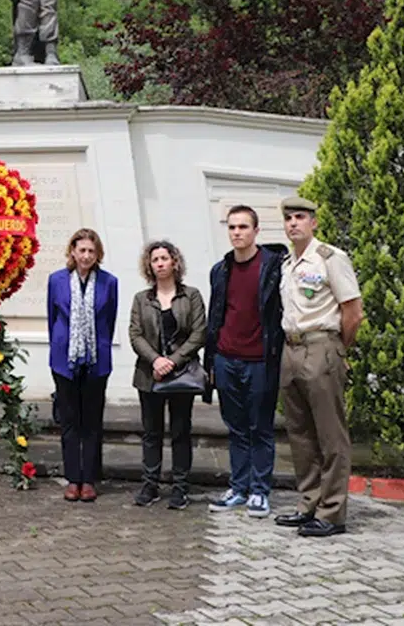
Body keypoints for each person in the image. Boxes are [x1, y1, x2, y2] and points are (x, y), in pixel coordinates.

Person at [275, 196, 362, 538]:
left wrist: (338, 348)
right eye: (288, 218)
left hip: (322, 345)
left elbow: (352, 310)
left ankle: (332, 512)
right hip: (291, 348)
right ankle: (308, 502)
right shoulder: (287, 263)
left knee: (330, 434)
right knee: (300, 433)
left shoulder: (330, 258)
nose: (293, 223)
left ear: (314, 223)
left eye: (300, 217)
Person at [202, 205, 286, 520]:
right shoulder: (220, 270)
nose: (237, 232)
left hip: (260, 360)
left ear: (256, 231)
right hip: (226, 359)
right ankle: (238, 488)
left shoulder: (272, 266)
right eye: (232, 227)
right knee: (235, 428)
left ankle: (260, 491)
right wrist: (211, 360)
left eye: (243, 227)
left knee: (260, 427)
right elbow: (216, 316)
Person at [128, 240, 206, 510]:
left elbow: (198, 333)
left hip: (181, 373)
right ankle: (150, 484)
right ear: (149, 266)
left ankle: (180, 487)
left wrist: (171, 361)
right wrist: (156, 360)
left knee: (180, 431)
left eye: (164, 258)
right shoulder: (141, 299)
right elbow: (135, 335)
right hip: (149, 375)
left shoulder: (191, 295)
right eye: (155, 260)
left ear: (175, 261)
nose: (160, 263)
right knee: (151, 432)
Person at [46, 228, 118, 502]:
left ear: (98, 254)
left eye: (91, 251)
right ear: (72, 252)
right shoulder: (57, 281)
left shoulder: (109, 282)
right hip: (64, 360)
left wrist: (93, 348)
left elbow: (109, 322)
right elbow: (52, 319)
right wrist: (63, 349)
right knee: (69, 422)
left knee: (91, 421)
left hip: (96, 360)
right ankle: (72, 478)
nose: (86, 255)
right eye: (82, 250)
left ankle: (89, 479)